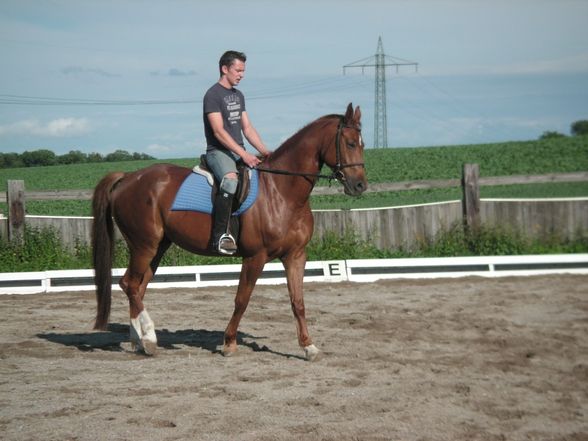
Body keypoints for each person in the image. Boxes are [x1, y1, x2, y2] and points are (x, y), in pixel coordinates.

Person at [203, 50, 270, 255]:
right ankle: (220, 236)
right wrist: (243, 154)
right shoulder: (213, 95)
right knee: (231, 180)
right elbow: (218, 131)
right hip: (219, 152)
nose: (241, 75)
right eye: (238, 70)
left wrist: (265, 152)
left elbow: (247, 128)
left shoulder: (238, 95)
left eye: (243, 71)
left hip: (238, 150)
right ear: (225, 69)